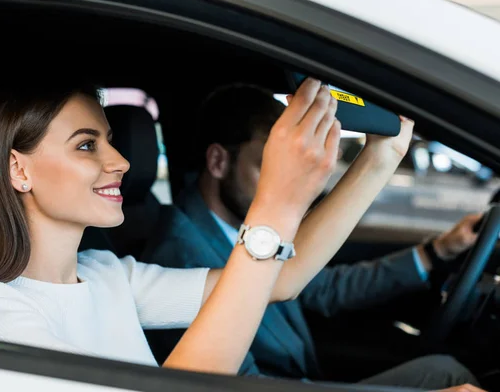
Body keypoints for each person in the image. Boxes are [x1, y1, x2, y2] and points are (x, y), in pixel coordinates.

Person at [141, 84, 483, 390]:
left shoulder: (236, 234)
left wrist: (436, 251)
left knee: (444, 370)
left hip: (302, 375)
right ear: (218, 161)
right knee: (446, 375)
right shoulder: (179, 255)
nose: (284, 179)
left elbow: (302, 283)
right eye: (269, 166)